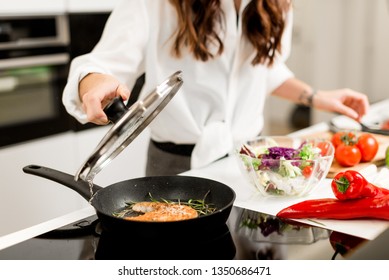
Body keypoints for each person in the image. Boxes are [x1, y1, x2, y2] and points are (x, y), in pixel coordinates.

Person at [62, 0, 369, 176]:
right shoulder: (153, 4)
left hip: (253, 163)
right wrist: (94, 81)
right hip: (175, 168)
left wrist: (316, 96)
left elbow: (264, 70)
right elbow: (102, 65)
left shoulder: (276, 5)